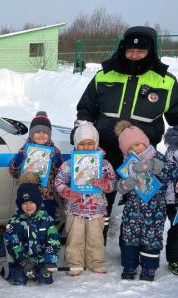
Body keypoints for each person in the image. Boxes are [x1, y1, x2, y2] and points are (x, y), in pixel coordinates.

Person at [75, 26, 178, 241]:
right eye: (130, 51)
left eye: (140, 52)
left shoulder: (165, 81)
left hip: (142, 156)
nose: (134, 56)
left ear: (151, 51)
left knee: (139, 202)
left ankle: (130, 247)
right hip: (105, 152)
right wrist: (82, 133)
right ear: (123, 49)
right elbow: (86, 110)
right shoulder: (104, 75)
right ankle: (96, 240)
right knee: (100, 198)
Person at [115, 121, 178, 281]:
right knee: (129, 238)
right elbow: (119, 187)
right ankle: (129, 266)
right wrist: (125, 184)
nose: (135, 149)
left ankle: (149, 268)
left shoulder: (157, 157)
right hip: (132, 210)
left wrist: (153, 166)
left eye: (138, 144)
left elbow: (172, 172)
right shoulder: (126, 164)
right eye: (130, 148)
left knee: (152, 240)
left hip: (156, 210)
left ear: (145, 142)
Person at [55, 122, 116, 276]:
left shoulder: (105, 164)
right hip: (74, 209)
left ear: (96, 143)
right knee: (75, 239)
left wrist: (105, 184)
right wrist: (67, 192)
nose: (86, 147)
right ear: (76, 144)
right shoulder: (69, 164)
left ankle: (96, 261)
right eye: (82, 144)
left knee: (95, 239)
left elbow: (113, 184)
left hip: (97, 209)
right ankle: (74, 263)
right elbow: (59, 182)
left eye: (90, 143)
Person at [4, 173, 60, 285]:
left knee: (45, 280)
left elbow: (53, 243)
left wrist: (49, 263)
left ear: (38, 202)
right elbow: (12, 244)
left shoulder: (46, 220)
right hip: (23, 262)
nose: (28, 206)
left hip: (42, 262)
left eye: (31, 202)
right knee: (19, 279)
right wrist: (24, 262)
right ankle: (15, 270)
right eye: (24, 203)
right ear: (20, 205)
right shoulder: (15, 222)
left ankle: (41, 269)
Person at [9, 111, 63, 220]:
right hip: (27, 197)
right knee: (26, 224)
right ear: (31, 134)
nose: (42, 135)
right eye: (37, 132)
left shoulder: (55, 151)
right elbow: (14, 173)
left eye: (45, 132)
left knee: (47, 223)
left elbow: (61, 176)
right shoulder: (25, 150)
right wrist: (17, 162)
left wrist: (58, 163)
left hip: (47, 197)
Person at [163, 126, 178, 275]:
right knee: (176, 229)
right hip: (174, 198)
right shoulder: (174, 150)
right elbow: (167, 172)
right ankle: (174, 258)